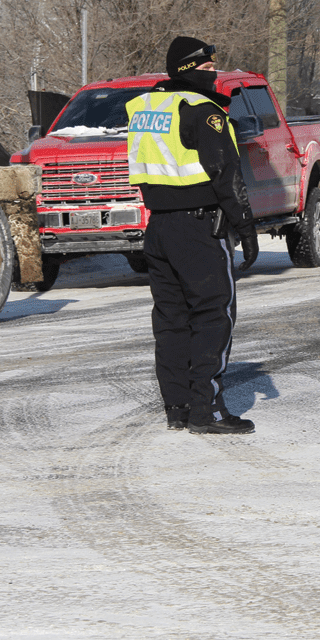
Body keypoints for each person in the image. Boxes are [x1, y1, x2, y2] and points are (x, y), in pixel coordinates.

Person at [126, 35, 259, 434]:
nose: (214, 74)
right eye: (207, 68)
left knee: (171, 321)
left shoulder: (144, 107)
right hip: (199, 227)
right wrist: (245, 226)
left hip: (159, 228)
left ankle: (178, 408)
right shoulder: (202, 110)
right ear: (187, 69)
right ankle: (208, 411)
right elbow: (226, 173)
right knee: (214, 315)